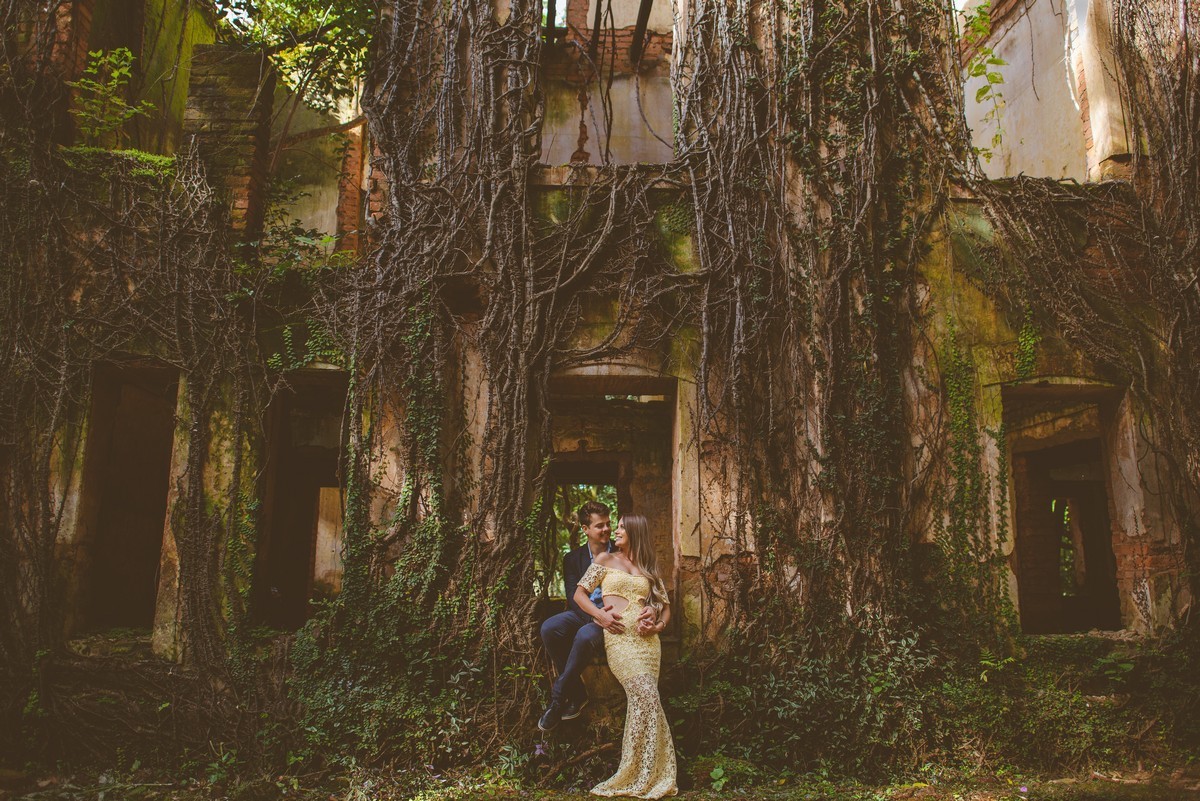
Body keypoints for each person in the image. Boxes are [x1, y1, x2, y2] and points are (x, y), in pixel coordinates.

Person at [574, 514, 676, 799]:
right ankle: (643, 772)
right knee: (646, 695)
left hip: (648, 643)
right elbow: (580, 595)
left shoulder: (647, 568)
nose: (615, 531)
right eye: (615, 526)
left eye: (620, 527)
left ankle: (647, 773)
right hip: (620, 640)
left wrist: (657, 622)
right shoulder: (605, 560)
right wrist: (600, 618)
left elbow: (665, 607)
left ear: (635, 531)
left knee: (643, 702)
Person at [539, 501, 657, 732]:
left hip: (614, 616)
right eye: (599, 525)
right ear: (585, 529)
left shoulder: (622, 551)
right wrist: (596, 616)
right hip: (586, 612)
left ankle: (558, 698)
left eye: (608, 524)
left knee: (584, 636)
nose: (606, 530)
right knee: (549, 628)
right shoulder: (572, 559)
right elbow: (575, 597)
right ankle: (577, 691)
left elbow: (644, 585)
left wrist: (651, 611)